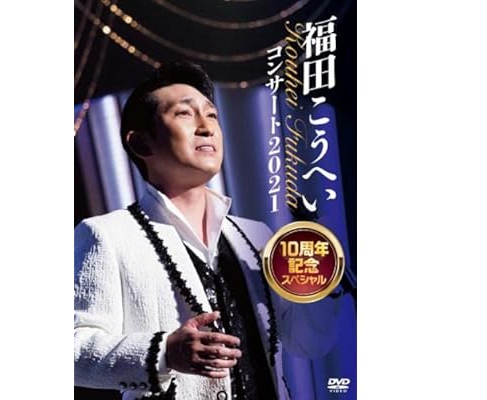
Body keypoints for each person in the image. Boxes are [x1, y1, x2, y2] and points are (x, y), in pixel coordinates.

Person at [74, 61, 341, 400]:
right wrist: (166, 353)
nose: (206, 127)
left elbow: (310, 342)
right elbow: (74, 348)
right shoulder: (107, 235)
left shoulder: (256, 237)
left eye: (212, 115)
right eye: (185, 114)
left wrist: (320, 272)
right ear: (140, 143)